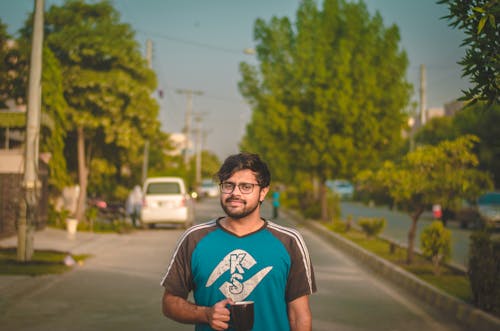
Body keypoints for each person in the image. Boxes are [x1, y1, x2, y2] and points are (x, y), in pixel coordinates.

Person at [161, 152, 316, 331]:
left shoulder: (289, 242)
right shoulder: (194, 239)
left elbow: (299, 315)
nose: (235, 193)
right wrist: (205, 314)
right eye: (228, 185)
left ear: (263, 192)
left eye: (246, 187)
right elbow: (169, 303)